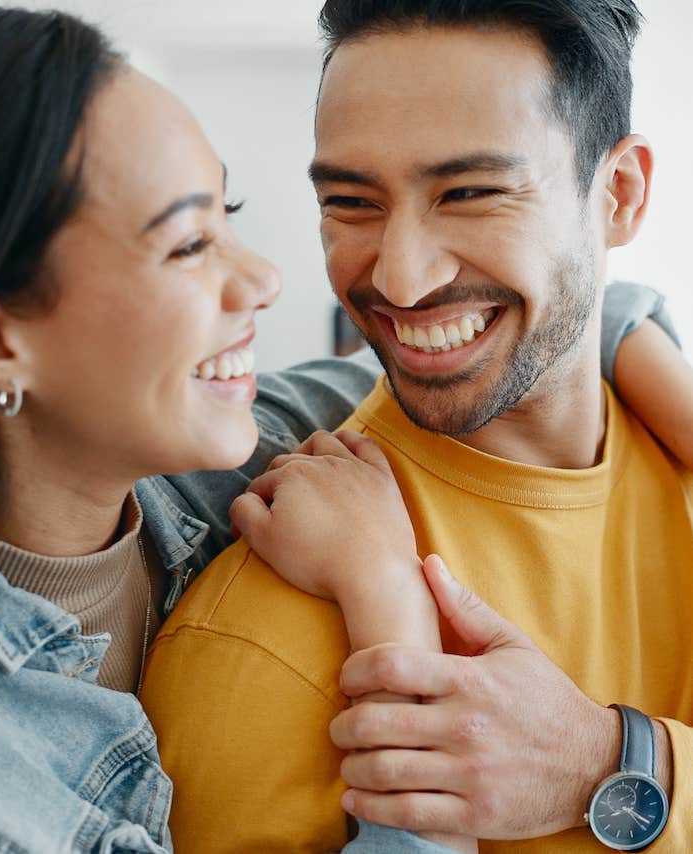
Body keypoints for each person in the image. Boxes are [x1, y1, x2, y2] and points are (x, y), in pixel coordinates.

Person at [139, 1, 693, 852]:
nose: (400, 278)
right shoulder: (266, 644)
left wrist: (614, 761)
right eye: (353, 202)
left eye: (469, 192)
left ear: (618, 194)